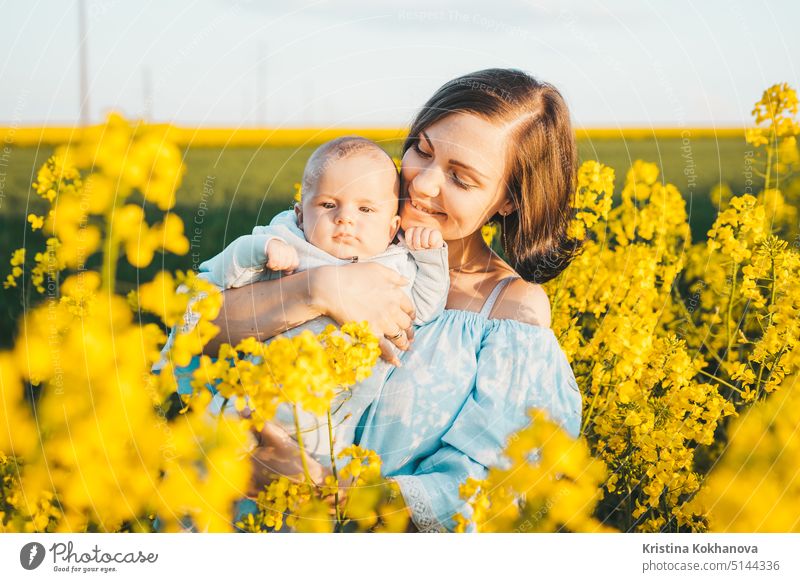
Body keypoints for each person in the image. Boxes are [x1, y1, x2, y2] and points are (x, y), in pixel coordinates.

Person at [204, 68, 583, 532]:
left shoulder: (509, 314)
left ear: (508, 200)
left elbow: (489, 495)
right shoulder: (332, 227)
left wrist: (319, 492)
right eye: (422, 150)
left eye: (461, 179)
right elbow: (193, 331)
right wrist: (318, 289)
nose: (423, 184)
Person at [161, 136, 449, 467]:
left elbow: (424, 310)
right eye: (328, 205)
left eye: (366, 209)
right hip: (248, 406)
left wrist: (429, 257)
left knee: (304, 503)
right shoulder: (289, 247)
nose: (345, 218)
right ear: (300, 215)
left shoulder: (396, 266)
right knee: (207, 478)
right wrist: (260, 249)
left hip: (329, 426)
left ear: (392, 226)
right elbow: (215, 280)